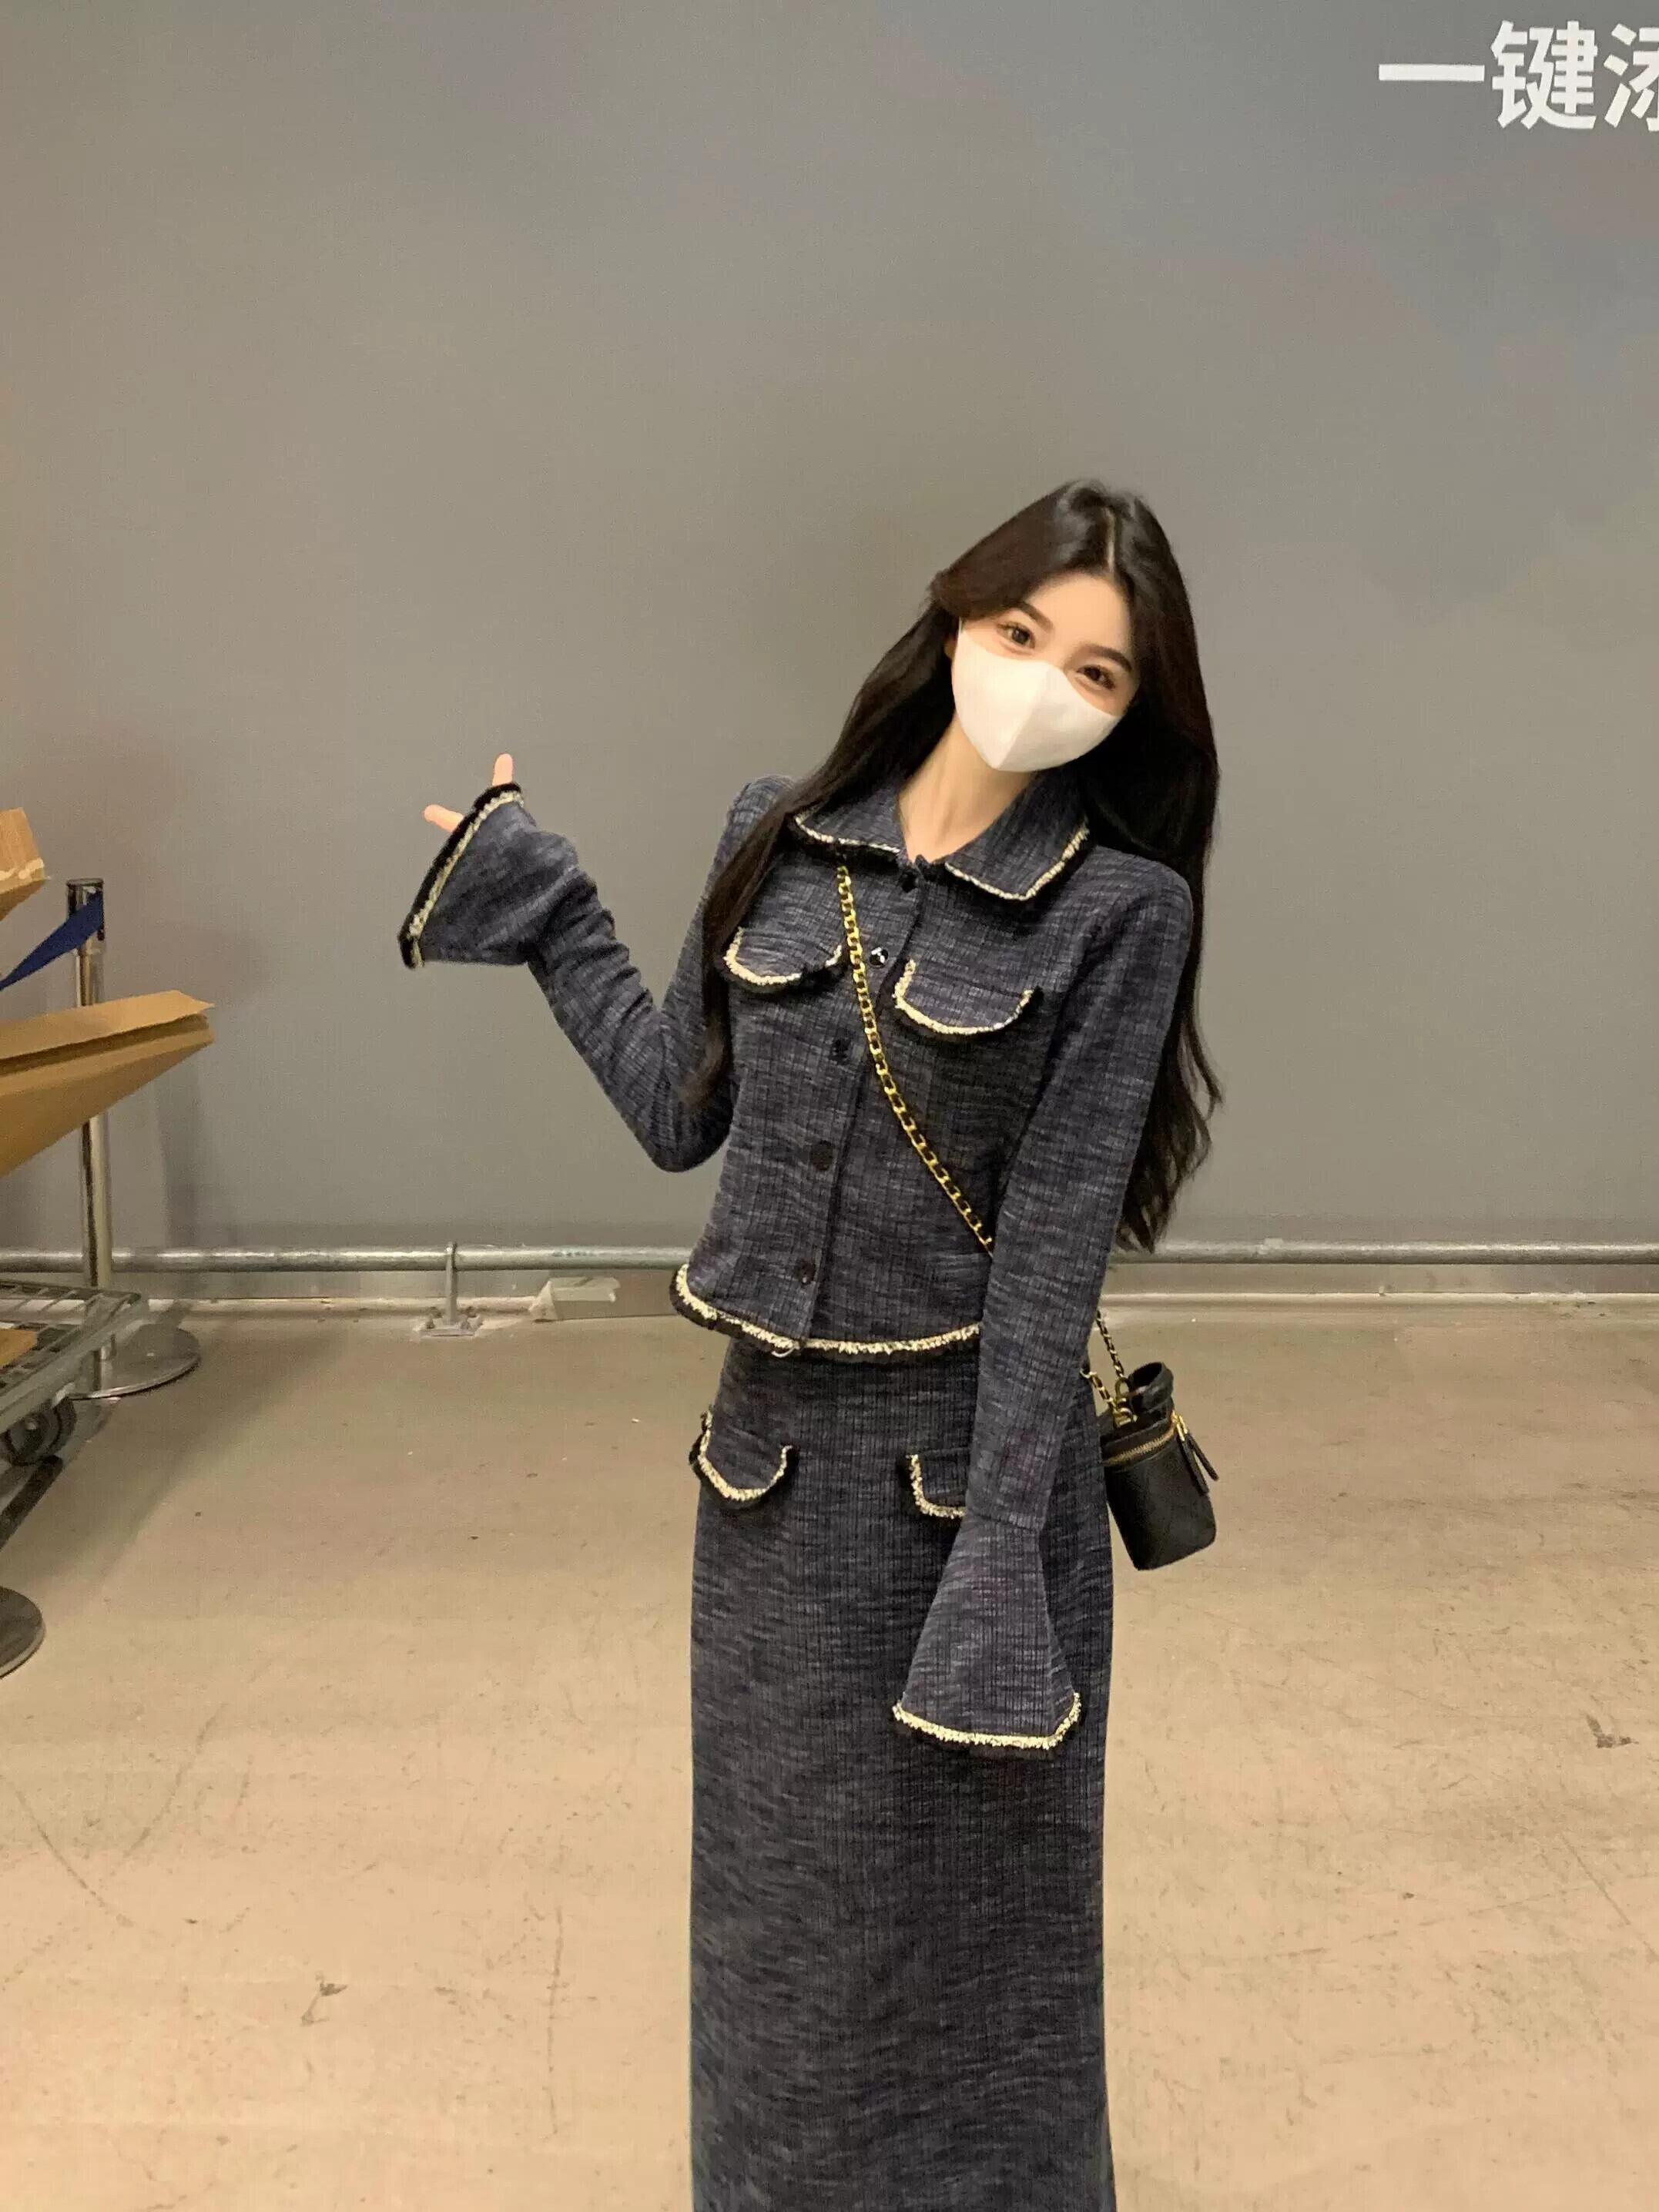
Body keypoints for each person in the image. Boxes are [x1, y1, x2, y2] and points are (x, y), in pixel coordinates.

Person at [398, 476, 1221, 2211]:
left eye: (1095, 671)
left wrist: (999, 1575)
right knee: (779, 1912)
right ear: (956, 617)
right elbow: (675, 1111)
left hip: (969, 1500)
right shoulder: (776, 836)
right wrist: (547, 906)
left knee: (978, 1926)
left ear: (1130, 708)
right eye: (1021, 633)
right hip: (766, 1491)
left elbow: (1049, 1265)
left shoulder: (1120, 911)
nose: (1043, 684)